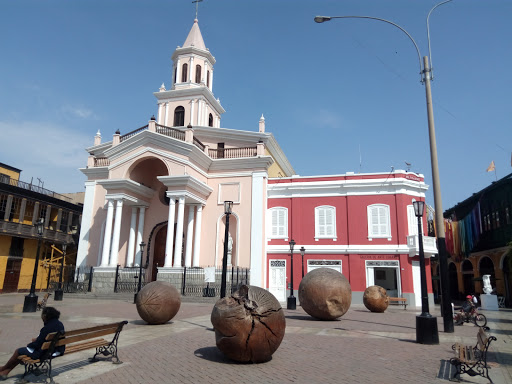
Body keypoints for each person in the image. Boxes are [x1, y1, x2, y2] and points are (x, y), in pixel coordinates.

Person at [0, 306, 65, 380]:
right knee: (23, 351)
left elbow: (37, 345)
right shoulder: (59, 324)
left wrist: (30, 345)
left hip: (44, 354)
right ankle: (4, 371)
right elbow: (47, 339)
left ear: (45, 316)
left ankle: (3, 369)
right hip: (56, 351)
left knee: (19, 351)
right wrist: (37, 340)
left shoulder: (46, 328)